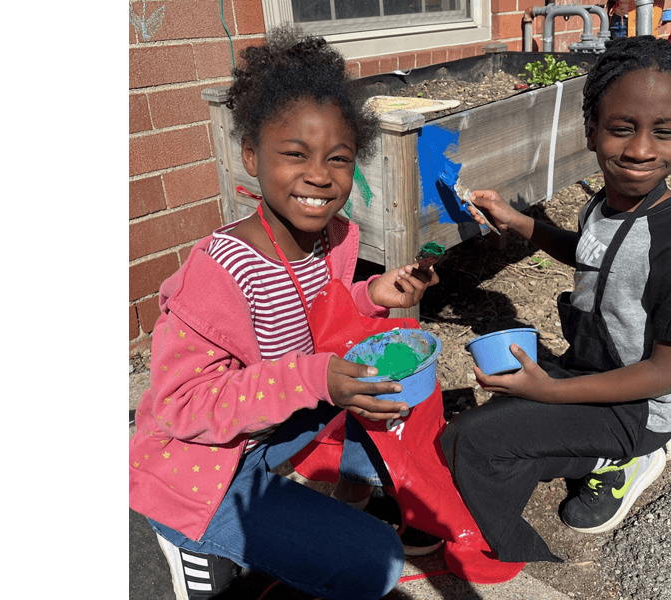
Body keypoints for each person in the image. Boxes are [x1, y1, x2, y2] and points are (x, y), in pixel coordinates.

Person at [129, 26, 442, 600]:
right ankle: (187, 537)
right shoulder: (220, 272)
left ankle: (339, 506)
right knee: (378, 564)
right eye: (295, 154)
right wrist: (313, 376)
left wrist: (374, 296)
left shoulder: (331, 240)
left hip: (260, 432)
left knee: (375, 388)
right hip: (199, 468)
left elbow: (313, 318)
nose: (320, 175)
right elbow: (181, 405)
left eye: (339, 159)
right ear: (251, 155)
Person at [440, 35, 671, 563]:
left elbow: (665, 373)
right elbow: (591, 254)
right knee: (502, 433)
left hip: (636, 407)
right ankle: (563, 464)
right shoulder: (605, 204)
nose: (639, 149)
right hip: (589, 373)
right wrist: (522, 222)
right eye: (621, 128)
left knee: (471, 441)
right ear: (590, 130)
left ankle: (504, 558)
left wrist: (548, 393)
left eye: (664, 132)